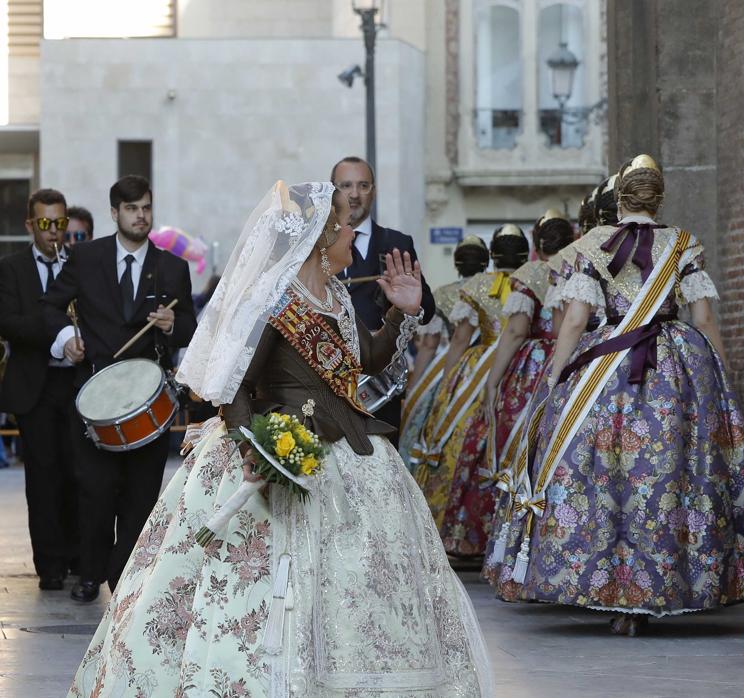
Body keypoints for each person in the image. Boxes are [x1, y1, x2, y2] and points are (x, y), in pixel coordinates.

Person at [68, 181, 492, 697]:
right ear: (320, 237)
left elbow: (365, 361)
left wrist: (400, 309)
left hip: (349, 448)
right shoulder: (274, 299)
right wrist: (256, 451)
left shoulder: (334, 294)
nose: (352, 236)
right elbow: (236, 386)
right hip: (279, 446)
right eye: (343, 230)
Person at [501, 155, 744, 636]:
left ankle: (607, 587)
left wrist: (555, 377)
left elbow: (577, 321)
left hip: (603, 367)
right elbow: (703, 320)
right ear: (659, 197)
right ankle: (662, 586)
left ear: (618, 198)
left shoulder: (592, 247)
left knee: (601, 472)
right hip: (673, 368)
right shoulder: (683, 244)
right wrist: (722, 378)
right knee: (668, 471)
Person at [43, 175, 196, 603]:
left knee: (141, 493)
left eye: (146, 207)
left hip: (148, 400)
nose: (140, 216)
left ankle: (126, 575)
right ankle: (90, 574)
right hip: (94, 393)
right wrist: (64, 341)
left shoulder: (172, 267)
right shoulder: (85, 258)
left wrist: (172, 326)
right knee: (93, 490)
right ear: (115, 213)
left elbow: (189, 329)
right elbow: (51, 306)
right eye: (131, 209)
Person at [481, 211, 576, 591]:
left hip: (536, 369)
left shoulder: (531, 276)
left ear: (536, 245)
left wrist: (492, 381)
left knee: (526, 452)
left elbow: (517, 330)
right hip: (584, 361)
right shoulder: (585, 265)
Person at [413, 226, 529, 539]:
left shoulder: (477, 286)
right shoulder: (537, 280)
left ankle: (463, 530)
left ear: (492, 255)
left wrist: (448, 387)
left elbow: (460, 340)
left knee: (465, 441)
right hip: (525, 367)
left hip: (475, 373)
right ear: (525, 253)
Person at [0, 188, 79, 592]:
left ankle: (77, 557)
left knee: (78, 473)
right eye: (46, 224)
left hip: (76, 384)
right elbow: (8, 323)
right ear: (31, 225)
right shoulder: (10, 268)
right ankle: (49, 564)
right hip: (36, 386)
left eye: (60, 223)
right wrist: (57, 333)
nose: (54, 232)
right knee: (43, 478)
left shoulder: (79, 264)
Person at [331, 156, 436, 439]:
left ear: (373, 191)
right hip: (329, 382)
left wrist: (410, 305)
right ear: (333, 191)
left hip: (380, 387)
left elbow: (427, 308)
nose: (354, 194)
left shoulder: (396, 243)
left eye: (363, 185)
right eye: (346, 185)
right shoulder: (318, 246)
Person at [397, 236, 490, 471]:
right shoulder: (496, 288)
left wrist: (414, 391)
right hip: (490, 368)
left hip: (451, 369)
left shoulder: (442, 294)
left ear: (457, 264)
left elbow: (428, 345)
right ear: (485, 263)